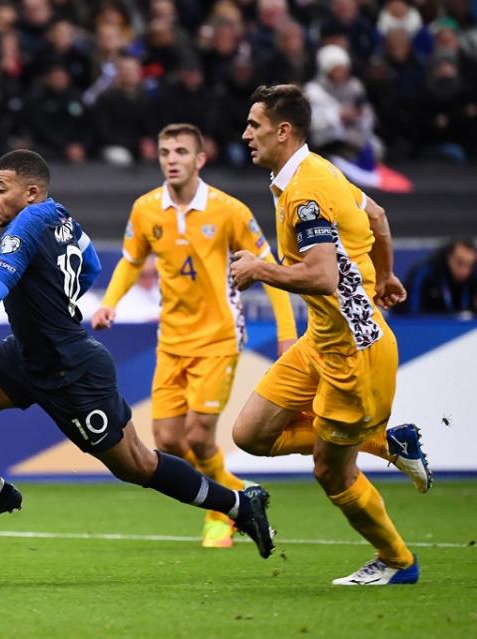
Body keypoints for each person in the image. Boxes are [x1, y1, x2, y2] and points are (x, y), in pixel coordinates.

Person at [0, 149, 276, 558]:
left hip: (72, 369)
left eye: (0, 188)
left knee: (136, 465)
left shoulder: (28, 224)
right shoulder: (59, 214)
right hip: (27, 353)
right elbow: (88, 265)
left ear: (31, 192)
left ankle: (239, 504)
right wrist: (54, 306)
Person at [231, 84, 433, 585]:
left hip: (353, 356)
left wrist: (261, 268)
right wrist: (384, 275)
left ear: (283, 131)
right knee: (250, 435)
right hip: (321, 340)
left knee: (330, 471)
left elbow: (320, 275)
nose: (245, 134)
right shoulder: (312, 172)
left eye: (254, 125)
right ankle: (386, 443)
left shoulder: (307, 190)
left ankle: (396, 561)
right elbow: (377, 216)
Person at [91, 123, 299, 549]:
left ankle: (221, 512)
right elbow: (132, 261)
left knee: (200, 436)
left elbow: (270, 270)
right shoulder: (146, 208)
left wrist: (286, 332)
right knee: (166, 440)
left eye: (181, 152)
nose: (171, 159)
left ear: (199, 160)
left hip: (219, 336)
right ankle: (241, 495)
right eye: (165, 151)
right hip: (172, 339)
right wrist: (110, 301)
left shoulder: (229, 210)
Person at [395, 238, 477, 314]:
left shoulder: (473, 277)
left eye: (470, 265)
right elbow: (411, 311)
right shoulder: (425, 273)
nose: (465, 271)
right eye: (460, 263)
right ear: (448, 257)